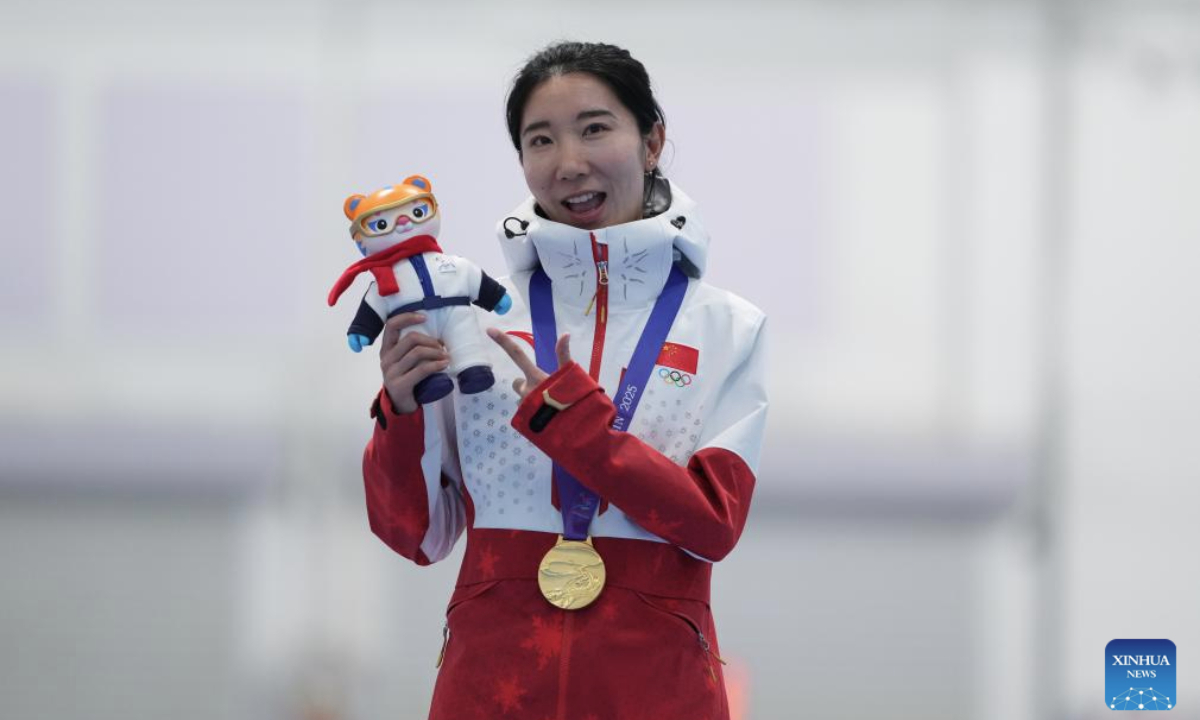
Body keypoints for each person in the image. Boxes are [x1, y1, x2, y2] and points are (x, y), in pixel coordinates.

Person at [361, 41, 768, 720]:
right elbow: (418, 535)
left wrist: (572, 423)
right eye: (540, 139)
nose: (569, 162)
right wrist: (400, 414)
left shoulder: (727, 329)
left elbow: (711, 526)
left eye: (595, 128)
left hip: (653, 685)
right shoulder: (468, 322)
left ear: (652, 141)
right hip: (492, 682)